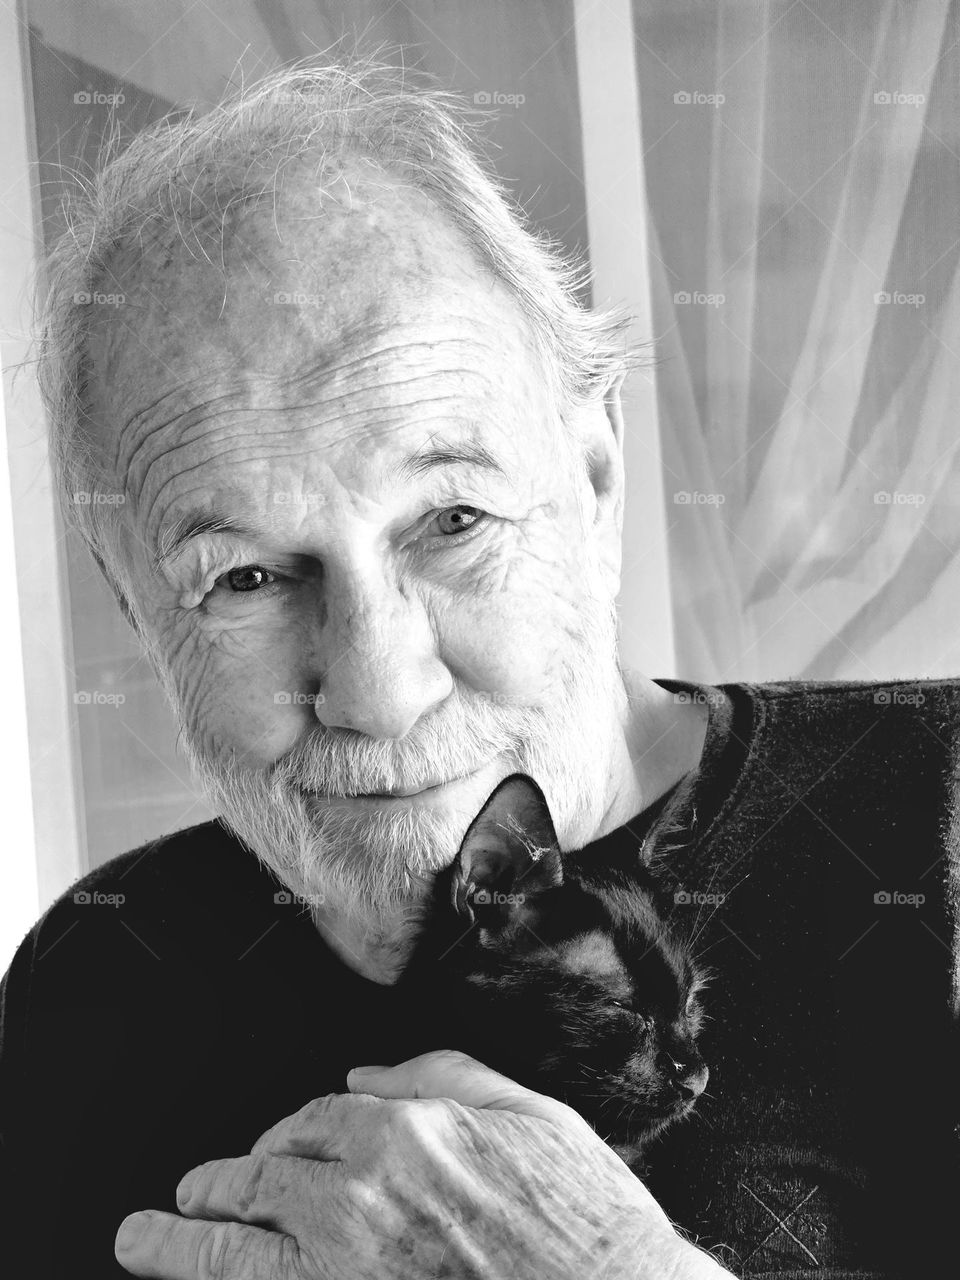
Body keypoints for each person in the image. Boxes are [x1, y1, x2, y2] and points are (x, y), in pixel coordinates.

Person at [0, 59, 955, 1280]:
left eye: (452, 520)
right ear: (136, 600)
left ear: (597, 478)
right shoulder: (95, 972)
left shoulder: (938, 810)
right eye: (244, 576)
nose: (380, 689)